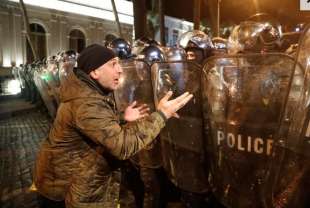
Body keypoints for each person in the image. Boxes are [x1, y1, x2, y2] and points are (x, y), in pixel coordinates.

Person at [33, 44, 193, 208]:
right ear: (94, 72)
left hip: (69, 182)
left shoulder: (86, 92)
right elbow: (122, 146)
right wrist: (162, 115)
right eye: (112, 64)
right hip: (66, 192)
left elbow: (97, 126)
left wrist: (122, 119)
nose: (120, 70)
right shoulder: (86, 104)